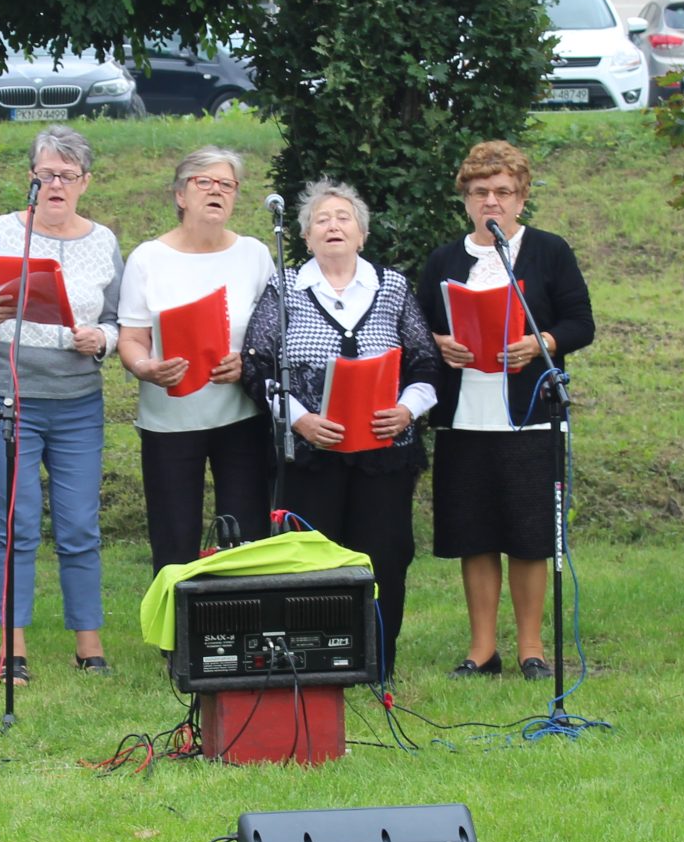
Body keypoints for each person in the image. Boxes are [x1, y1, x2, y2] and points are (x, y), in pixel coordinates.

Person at [243, 179, 442, 666]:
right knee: (311, 560)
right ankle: (315, 665)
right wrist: (300, 420)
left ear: (362, 234)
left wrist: (406, 410)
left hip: (384, 454)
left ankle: (378, 662)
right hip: (311, 455)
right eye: (321, 220)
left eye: (343, 218)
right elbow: (256, 367)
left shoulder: (392, 287)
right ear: (306, 237)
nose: (332, 226)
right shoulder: (285, 288)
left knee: (385, 555)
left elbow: (426, 364)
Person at [417, 140, 596, 681]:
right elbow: (416, 329)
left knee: (528, 534)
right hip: (465, 416)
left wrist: (542, 342)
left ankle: (532, 648)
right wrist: (440, 343)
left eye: (502, 191)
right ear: (465, 199)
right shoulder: (445, 260)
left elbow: (580, 323)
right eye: (479, 192)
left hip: (529, 414)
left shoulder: (548, 251)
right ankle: (482, 650)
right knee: (474, 533)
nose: (490, 201)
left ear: (521, 198)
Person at [0, 125, 124, 681]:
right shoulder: (4, 231)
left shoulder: (103, 240)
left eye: (68, 176)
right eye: (47, 174)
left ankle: (88, 644)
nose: (56, 185)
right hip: (9, 395)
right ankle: (13, 647)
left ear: (85, 182)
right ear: (31, 178)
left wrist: (102, 339)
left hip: (77, 401)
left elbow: (119, 321)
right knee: (17, 521)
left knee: (79, 524)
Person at [117, 146, 279, 571]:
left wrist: (248, 362)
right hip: (169, 422)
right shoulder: (148, 258)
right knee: (174, 544)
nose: (216, 191)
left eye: (227, 184)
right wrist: (145, 368)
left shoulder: (254, 254)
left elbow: (274, 334)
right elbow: (131, 338)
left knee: (246, 543)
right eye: (203, 182)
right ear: (180, 195)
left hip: (241, 418)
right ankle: (176, 618)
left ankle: (243, 616)